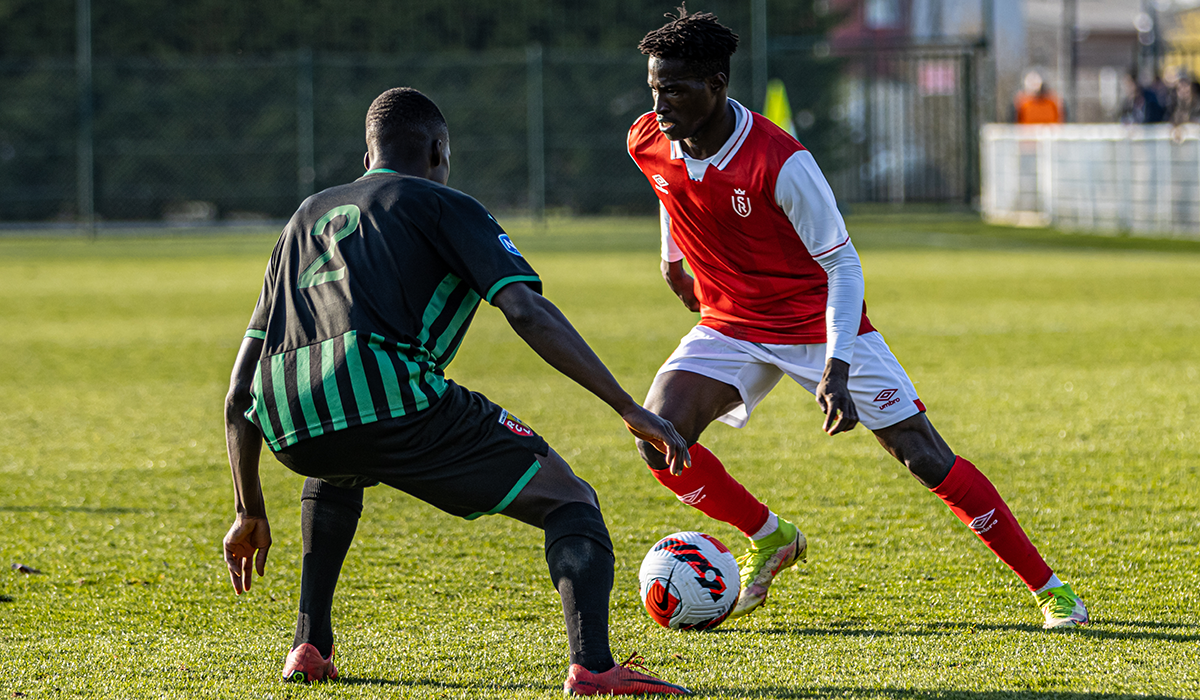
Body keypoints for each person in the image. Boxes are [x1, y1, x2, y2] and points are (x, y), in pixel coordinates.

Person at [625, 8, 1089, 629]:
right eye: (655, 88)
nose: (660, 105)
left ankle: (1051, 590)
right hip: (731, 321)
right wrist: (671, 259)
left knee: (924, 456)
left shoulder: (781, 161)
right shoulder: (649, 138)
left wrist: (837, 366)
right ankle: (772, 535)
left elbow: (844, 266)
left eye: (675, 89)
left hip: (818, 325)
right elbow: (668, 188)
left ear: (716, 84)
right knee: (658, 439)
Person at [222, 87, 693, 696]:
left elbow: (239, 389)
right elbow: (525, 310)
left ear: (368, 155)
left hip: (289, 417)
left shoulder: (305, 215)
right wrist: (627, 406)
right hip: (391, 396)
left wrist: (248, 508)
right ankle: (595, 668)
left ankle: (309, 646)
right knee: (569, 499)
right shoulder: (442, 203)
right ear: (439, 149)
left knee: (338, 465)